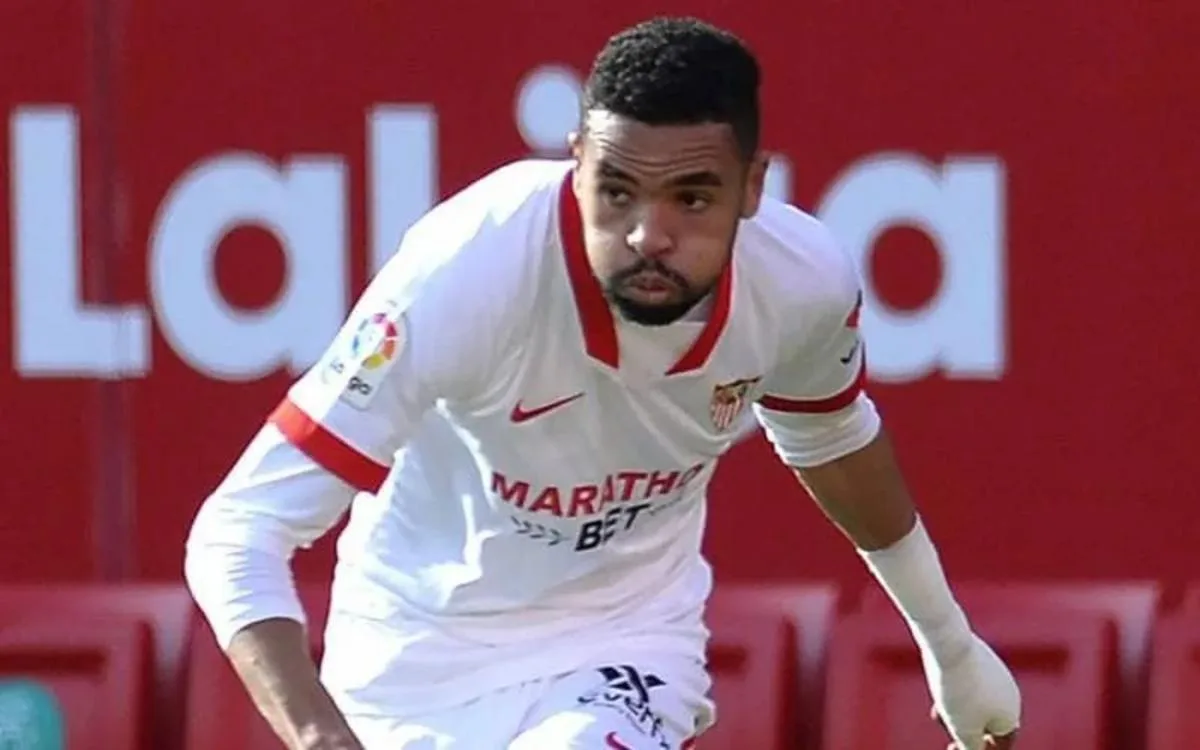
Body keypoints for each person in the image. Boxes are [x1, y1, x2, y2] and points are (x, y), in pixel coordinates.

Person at [184, 16, 1021, 750]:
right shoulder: (469, 269)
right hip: (409, 673)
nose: (649, 235)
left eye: (692, 198)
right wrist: (320, 735)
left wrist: (948, 644)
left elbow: (832, 437)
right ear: (576, 162)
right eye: (616, 191)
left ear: (752, 187)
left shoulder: (801, 282)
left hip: (623, 648)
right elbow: (238, 531)